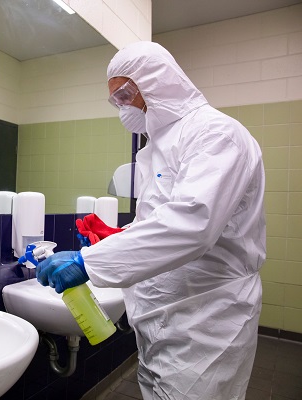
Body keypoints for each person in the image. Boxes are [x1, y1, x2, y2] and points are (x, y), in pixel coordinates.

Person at [36, 41, 266, 399]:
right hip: (161, 319)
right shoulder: (155, 148)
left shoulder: (216, 133)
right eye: (116, 99)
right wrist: (112, 238)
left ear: (159, 81)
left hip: (206, 322)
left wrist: (90, 261)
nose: (122, 106)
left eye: (126, 93)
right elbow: (160, 219)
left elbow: (193, 224)